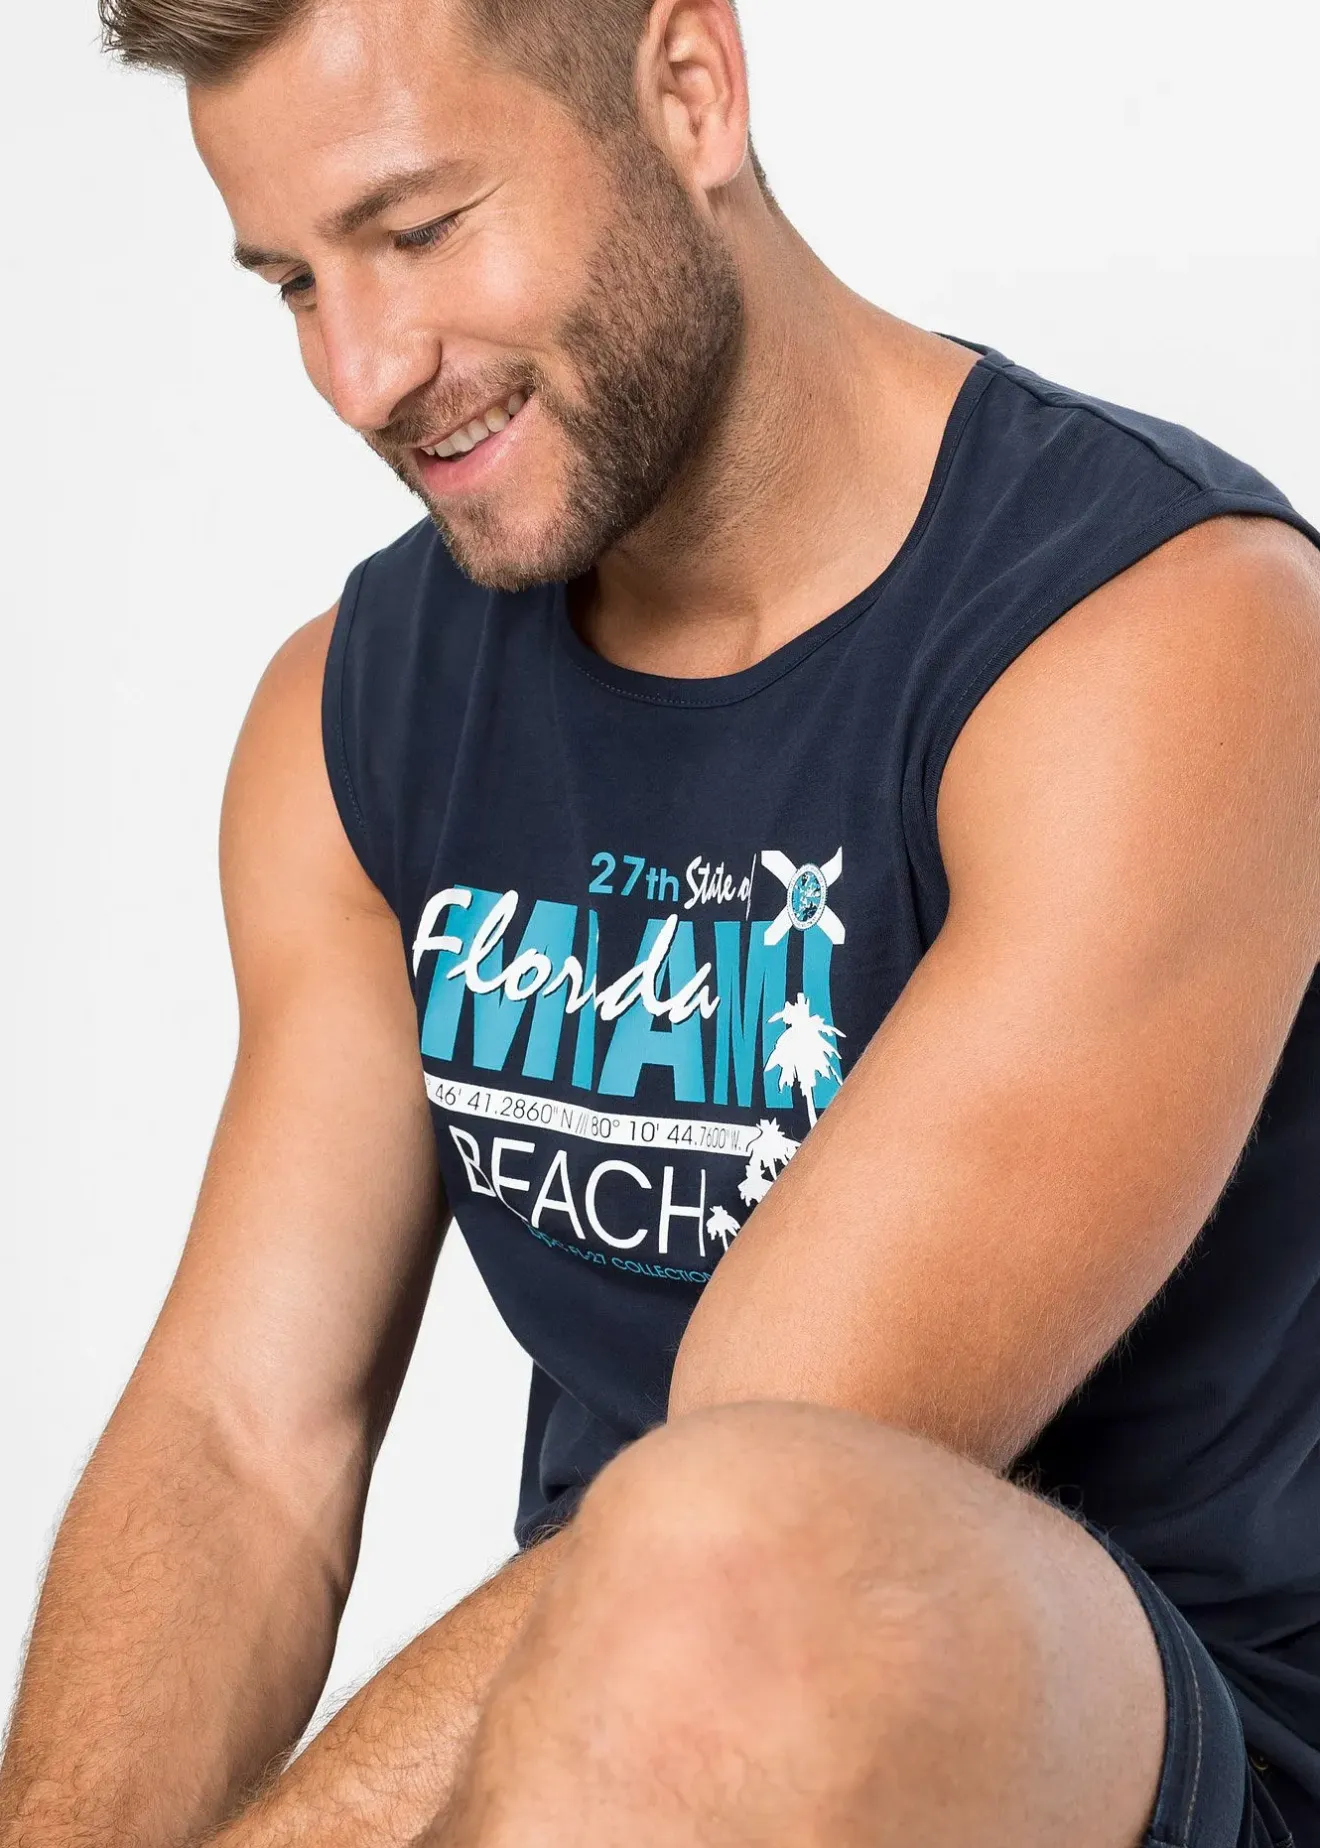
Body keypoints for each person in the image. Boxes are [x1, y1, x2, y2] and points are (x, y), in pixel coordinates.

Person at [3, 0, 1320, 1843]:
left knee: (718, 1549)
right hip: (597, 1771)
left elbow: (770, 1475)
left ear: (690, 93)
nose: (364, 372)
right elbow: (243, 1438)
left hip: (1149, 1764)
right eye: (295, 282)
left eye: (418, 229)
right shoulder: (352, 714)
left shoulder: (1166, 640)